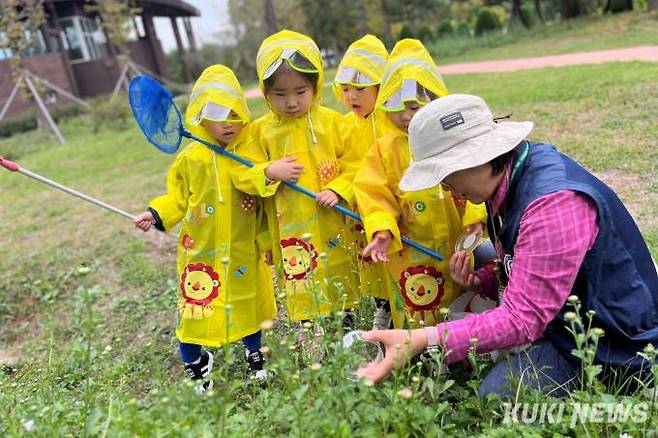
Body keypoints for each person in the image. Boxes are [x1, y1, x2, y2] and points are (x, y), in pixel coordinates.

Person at [356, 94, 658, 398]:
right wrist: (483, 280)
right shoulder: (511, 174)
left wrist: (423, 339)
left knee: (497, 395)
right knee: (478, 256)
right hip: (569, 306)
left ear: (478, 158)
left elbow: (522, 319)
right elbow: (518, 256)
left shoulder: (553, 206)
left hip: (612, 342)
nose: (443, 185)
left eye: (444, 173)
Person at [133, 65, 277, 392]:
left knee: (246, 305)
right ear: (199, 116)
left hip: (242, 250)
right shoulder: (190, 159)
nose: (227, 122)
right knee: (196, 312)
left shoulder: (247, 153)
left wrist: (269, 174)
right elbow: (176, 197)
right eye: (216, 114)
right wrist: (155, 214)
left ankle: (256, 358)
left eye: (233, 113)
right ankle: (197, 367)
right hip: (202, 254)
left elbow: (260, 189)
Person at [352, 40, 492, 330]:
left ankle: (458, 341)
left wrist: (475, 219)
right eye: (394, 106)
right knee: (416, 296)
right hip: (408, 248)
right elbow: (373, 192)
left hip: (453, 239)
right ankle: (418, 347)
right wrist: (380, 230)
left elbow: (474, 180)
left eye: (415, 106)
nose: (405, 116)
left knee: (456, 285)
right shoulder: (383, 150)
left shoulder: (449, 139)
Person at [231, 30, 360, 331]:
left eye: (300, 92)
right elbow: (241, 173)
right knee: (300, 280)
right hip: (290, 228)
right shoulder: (260, 132)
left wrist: (338, 189)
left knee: (339, 276)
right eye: (280, 94)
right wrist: (268, 171)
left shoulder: (333, 123)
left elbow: (356, 165)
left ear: (315, 85)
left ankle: (348, 328)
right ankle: (308, 332)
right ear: (265, 92)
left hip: (331, 223)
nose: (291, 102)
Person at [333, 34, 395, 330]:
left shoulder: (392, 120)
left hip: (389, 206)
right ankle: (382, 306)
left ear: (381, 86)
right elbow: (344, 167)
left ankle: (403, 304)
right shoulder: (345, 127)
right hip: (360, 210)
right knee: (371, 262)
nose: (351, 97)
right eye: (345, 89)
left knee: (395, 256)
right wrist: (342, 189)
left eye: (360, 89)